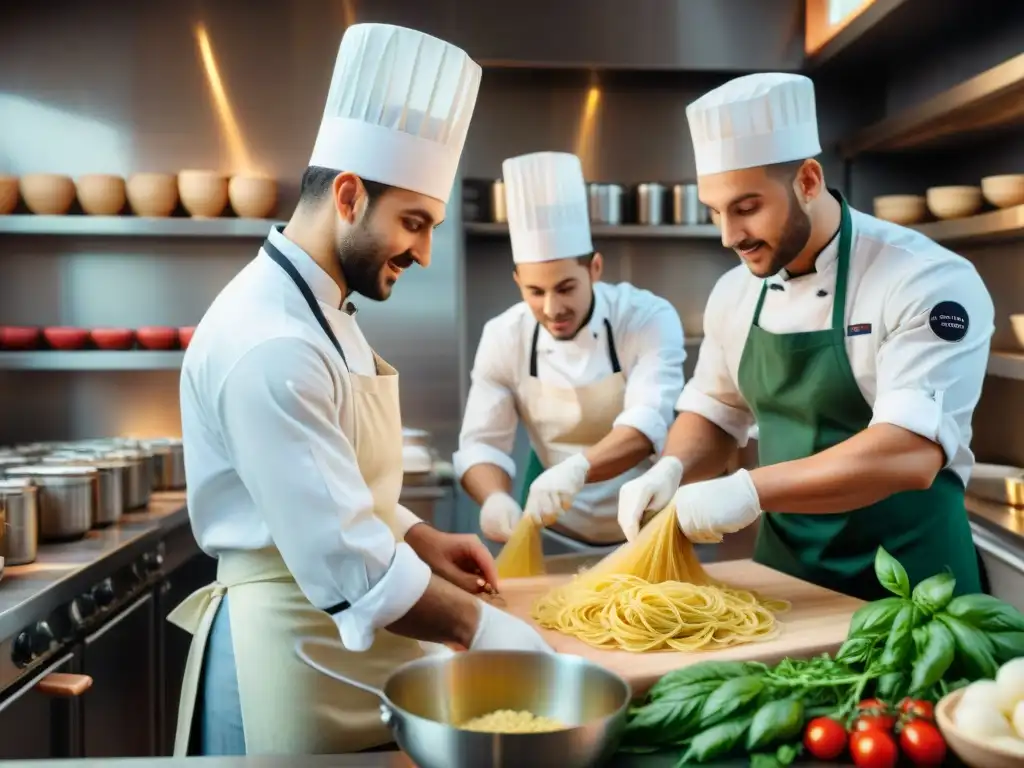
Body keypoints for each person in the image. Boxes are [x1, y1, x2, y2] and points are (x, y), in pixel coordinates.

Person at [168, 23, 551, 758]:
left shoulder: (323, 309)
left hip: (346, 646)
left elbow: (328, 482)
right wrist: (480, 630)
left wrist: (417, 535)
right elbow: (345, 558)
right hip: (283, 654)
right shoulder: (271, 344)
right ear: (348, 195)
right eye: (414, 222)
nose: (426, 251)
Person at [617, 72, 994, 601]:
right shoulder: (734, 292)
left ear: (809, 181)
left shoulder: (925, 279)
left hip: (913, 590)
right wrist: (672, 469)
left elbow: (906, 453)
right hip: (784, 584)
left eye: (747, 207)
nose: (729, 236)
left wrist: (747, 490)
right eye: (716, 212)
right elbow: (716, 412)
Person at [455, 151, 686, 554]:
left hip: (646, 529)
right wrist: (493, 497)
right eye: (534, 291)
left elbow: (648, 423)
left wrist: (577, 469)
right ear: (517, 281)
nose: (551, 308)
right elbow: (482, 445)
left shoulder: (645, 317)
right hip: (553, 534)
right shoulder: (504, 336)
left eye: (565, 288)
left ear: (595, 268)